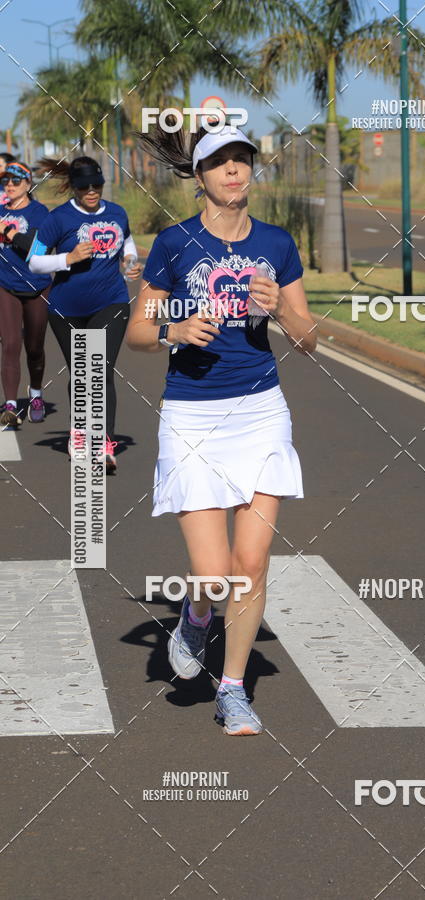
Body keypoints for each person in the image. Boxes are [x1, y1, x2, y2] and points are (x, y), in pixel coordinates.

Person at [127, 122, 317, 735]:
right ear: (200, 176)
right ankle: (196, 617)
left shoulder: (277, 243)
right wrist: (173, 332)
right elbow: (135, 334)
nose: (234, 170)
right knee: (214, 575)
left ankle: (232, 689)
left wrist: (279, 308)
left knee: (252, 561)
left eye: (242, 160)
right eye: (220, 162)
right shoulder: (173, 244)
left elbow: (310, 338)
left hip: (261, 410)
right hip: (192, 417)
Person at [28, 156, 142, 470]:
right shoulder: (58, 219)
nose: (92, 191)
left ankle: (105, 442)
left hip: (111, 302)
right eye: (84, 186)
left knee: (101, 371)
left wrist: (130, 262)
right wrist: (69, 257)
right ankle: (78, 433)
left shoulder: (117, 213)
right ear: (74, 188)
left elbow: (128, 241)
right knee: (81, 372)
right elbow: (35, 262)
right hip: (67, 309)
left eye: (97, 185)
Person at [0, 162, 51, 426]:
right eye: (5, 181)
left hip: (37, 285)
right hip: (4, 285)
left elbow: (36, 249)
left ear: (28, 184)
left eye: (15, 181)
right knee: (9, 344)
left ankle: (36, 393)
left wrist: (7, 230)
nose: (9, 185)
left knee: (34, 348)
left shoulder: (40, 212)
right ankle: (10, 406)